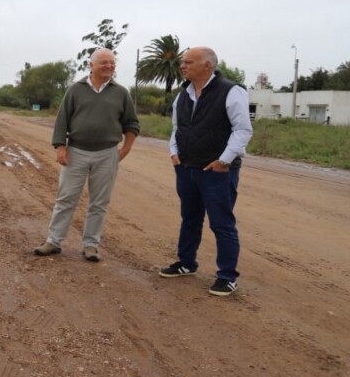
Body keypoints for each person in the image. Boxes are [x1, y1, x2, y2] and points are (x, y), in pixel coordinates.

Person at [159, 46, 253, 297]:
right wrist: (174, 151)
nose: (183, 66)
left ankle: (227, 276)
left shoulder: (231, 91)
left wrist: (224, 161)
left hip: (217, 171)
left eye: (188, 62)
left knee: (222, 223)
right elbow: (177, 128)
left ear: (207, 65)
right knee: (190, 218)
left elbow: (242, 130)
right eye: (182, 62)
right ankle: (186, 263)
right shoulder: (183, 94)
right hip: (186, 168)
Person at [34, 48, 140, 262]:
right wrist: (60, 147)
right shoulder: (75, 90)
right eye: (104, 62)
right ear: (91, 65)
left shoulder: (121, 93)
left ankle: (91, 245)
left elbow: (132, 124)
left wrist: (125, 149)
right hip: (76, 151)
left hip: (107, 153)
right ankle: (54, 241)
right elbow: (62, 119)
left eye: (112, 63)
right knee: (66, 198)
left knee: (99, 203)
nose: (109, 66)